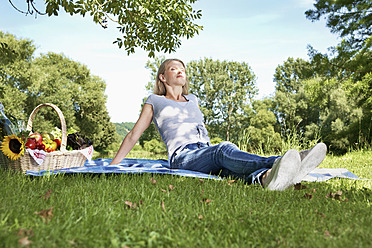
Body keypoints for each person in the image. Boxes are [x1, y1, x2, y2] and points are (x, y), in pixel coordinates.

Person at [110, 59, 327, 191]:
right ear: (163, 77)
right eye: (174, 68)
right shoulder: (154, 100)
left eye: (182, 69)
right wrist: (113, 165)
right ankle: (284, 161)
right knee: (224, 149)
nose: (180, 71)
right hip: (182, 157)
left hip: (203, 151)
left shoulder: (193, 99)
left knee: (227, 168)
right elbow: (134, 134)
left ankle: (266, 178)